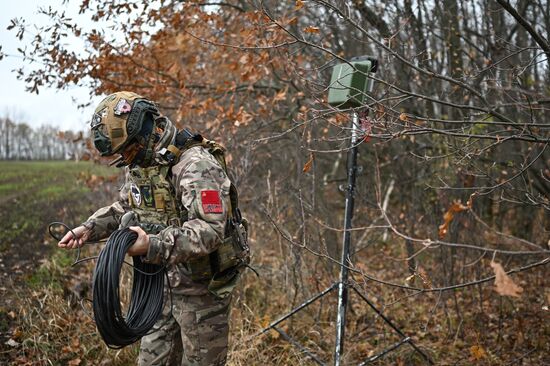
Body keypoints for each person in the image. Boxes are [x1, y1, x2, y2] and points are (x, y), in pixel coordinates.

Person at [57, 91, 249, 365]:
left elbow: (210, 231)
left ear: (145, 132)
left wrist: (154, 246)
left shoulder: (195, 165)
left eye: (127, 149)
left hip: (201, 294)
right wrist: (88, 228)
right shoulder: (140, 163)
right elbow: (127, 207)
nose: (125, 157)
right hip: (160, 287)